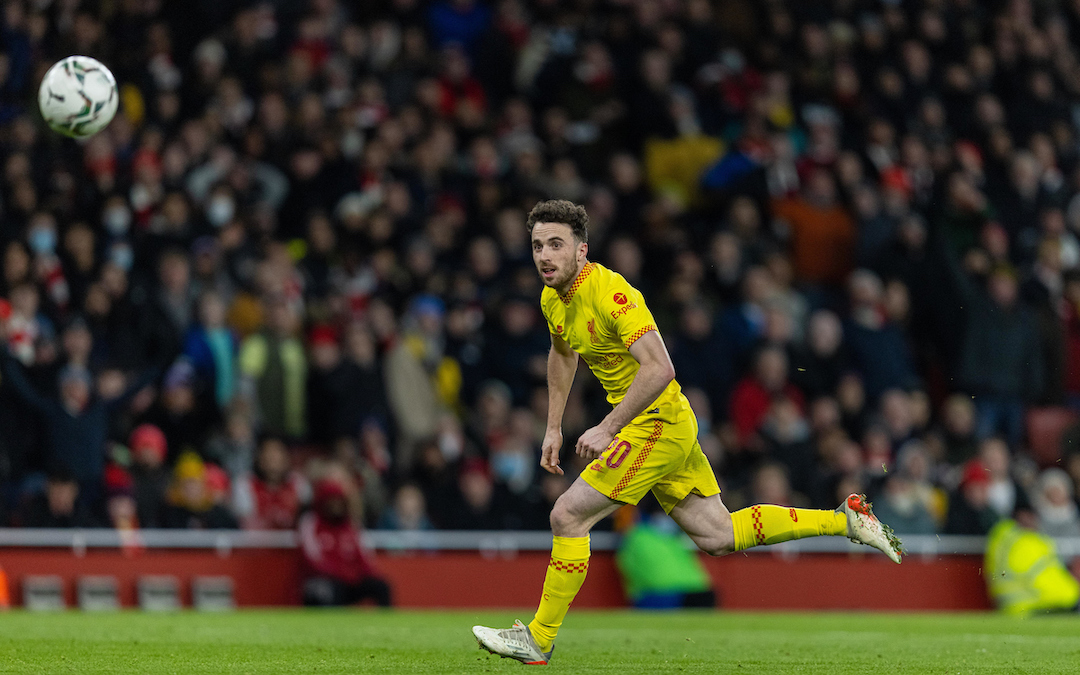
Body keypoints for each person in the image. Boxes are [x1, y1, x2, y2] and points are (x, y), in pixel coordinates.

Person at [472, 201, 903, 665]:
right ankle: (846, 519)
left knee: (566, 516)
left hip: (654, 422)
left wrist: (608, 426)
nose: (544, 256)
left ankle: (538, 638)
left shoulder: (612, 293)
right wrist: (553, 425)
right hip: (665, 423)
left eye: (556, 244)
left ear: (582, 251)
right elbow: (562, 354)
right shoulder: (551, 298)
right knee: (718, 535)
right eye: (538, 245)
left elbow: (661, 368)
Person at [298, 479, 392, 607]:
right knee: (331, 589)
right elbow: (313, 561)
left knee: (381, 586)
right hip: (325, 579)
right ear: (323, 502)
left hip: (351, 580)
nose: (336, 506)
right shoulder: (311, 523)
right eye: (332, 502)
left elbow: (364, 558)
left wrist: (362, 574)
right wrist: (344, 574)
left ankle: (385, 624)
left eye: (339, 502)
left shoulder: (352, 526)